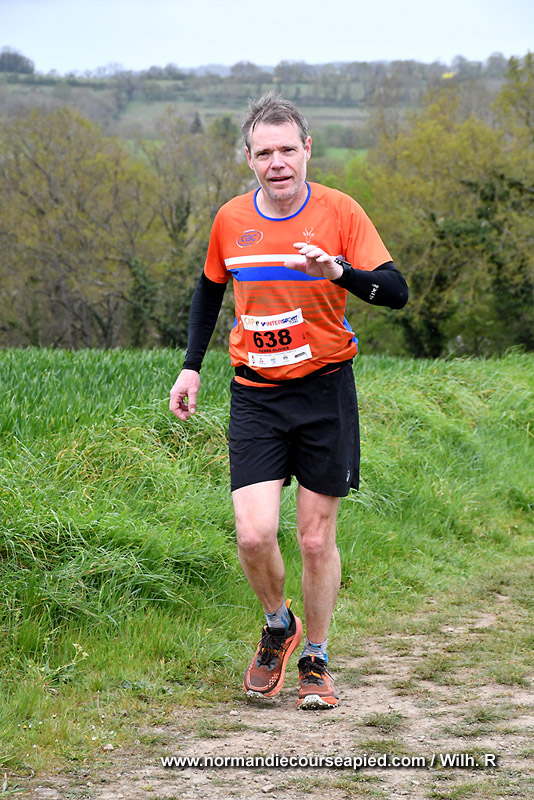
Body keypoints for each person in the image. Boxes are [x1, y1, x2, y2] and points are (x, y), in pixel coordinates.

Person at [169, 92, 408, 710]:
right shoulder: (230, 220)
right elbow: (208, 292)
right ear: (248, 158)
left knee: (314, 540)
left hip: (325, 390)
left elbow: (396, 291)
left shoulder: (341, 212)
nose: (276, 162)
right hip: (255, 394)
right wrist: (191, 367)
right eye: (263, 153)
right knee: (253, 536)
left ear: (307, 150)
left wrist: (340, 273)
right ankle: (279, 625)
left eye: (286, 150)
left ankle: (317, 658)